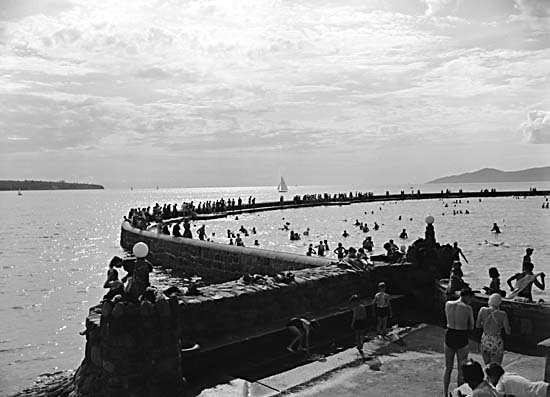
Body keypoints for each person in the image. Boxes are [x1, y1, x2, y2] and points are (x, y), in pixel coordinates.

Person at [443, 288, 475, 397]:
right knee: (461, 368)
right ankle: (458, 393)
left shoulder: (448, 304)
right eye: (471, 298)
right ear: (467, 296)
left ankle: (445, 393)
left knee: (448, 367)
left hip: (450, 334)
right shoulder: (468, 308)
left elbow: (446, 318)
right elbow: (471, 326)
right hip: (461, 335)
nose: (471, 301)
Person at [476, 293, 511, 365]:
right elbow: (508, 331)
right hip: (496, 341)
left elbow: (478, 325)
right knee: (496, 368)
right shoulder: (502, 314)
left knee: (487, 367)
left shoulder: (482, 310)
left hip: (485, 339)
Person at [485, 362, 549, 397]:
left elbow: (497, 394)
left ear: (494, 376)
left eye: (488, 377)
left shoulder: (501, 383)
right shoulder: (507, 375)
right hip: (542, 387)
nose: (488, 379)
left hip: (541, 393)